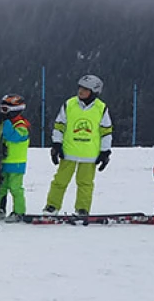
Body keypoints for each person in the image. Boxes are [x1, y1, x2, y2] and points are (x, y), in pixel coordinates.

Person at [44, 75, 113, 214]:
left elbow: (106, 131)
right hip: (69, 152)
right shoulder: (69, 104)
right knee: (60, 181)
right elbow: (59, 125)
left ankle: (82, 209)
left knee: (85, 184)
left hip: (89, 155)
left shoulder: (101, 108)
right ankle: (52, 206)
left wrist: (105, 152)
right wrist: (56, 144)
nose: (80, 91)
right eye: (80, 87)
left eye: (85, 89)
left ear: (94, 92)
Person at [0, 94, 31, 222]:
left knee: (15, 187)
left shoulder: (21, 125)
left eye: (5, 110)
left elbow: (14, 136)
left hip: (16, 162)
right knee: (0, 186)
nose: (3, 113)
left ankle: (19, 211)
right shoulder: (4, 123)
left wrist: (5, 121)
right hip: (3, 161)